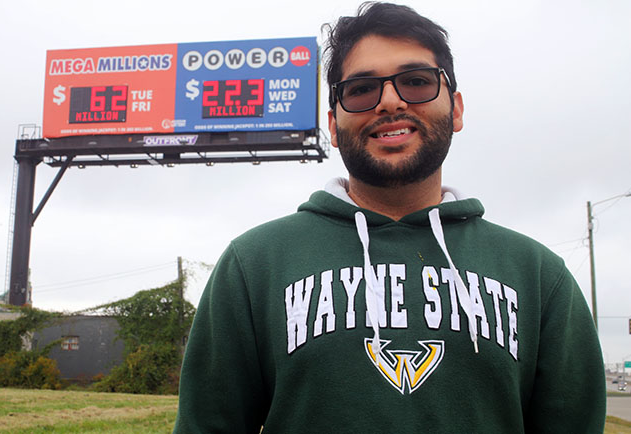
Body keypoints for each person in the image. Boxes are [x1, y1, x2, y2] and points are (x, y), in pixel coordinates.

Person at [174, 2, 606, 433]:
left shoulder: (539, 276)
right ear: (334, 123)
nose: (390, 101)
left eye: (416, 81)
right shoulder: (253, 266)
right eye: (362, 89)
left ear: (455, 109)